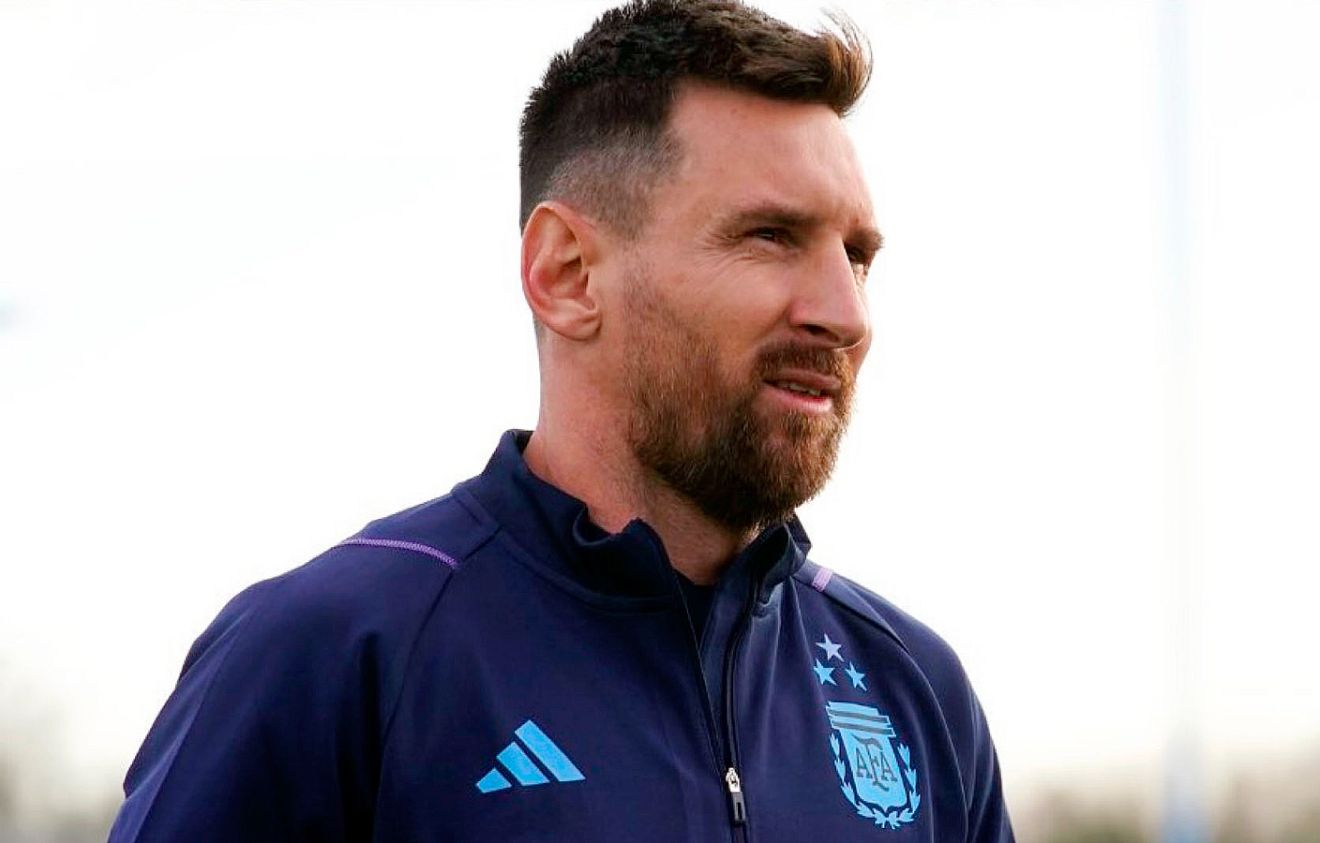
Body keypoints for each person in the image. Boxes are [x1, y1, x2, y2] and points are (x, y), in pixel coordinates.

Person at [108, 1, 1017, 840]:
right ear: (568, 275)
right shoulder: (332, 656)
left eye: (856, 256)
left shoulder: (915, 693)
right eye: (770, 236)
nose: (845, 314)